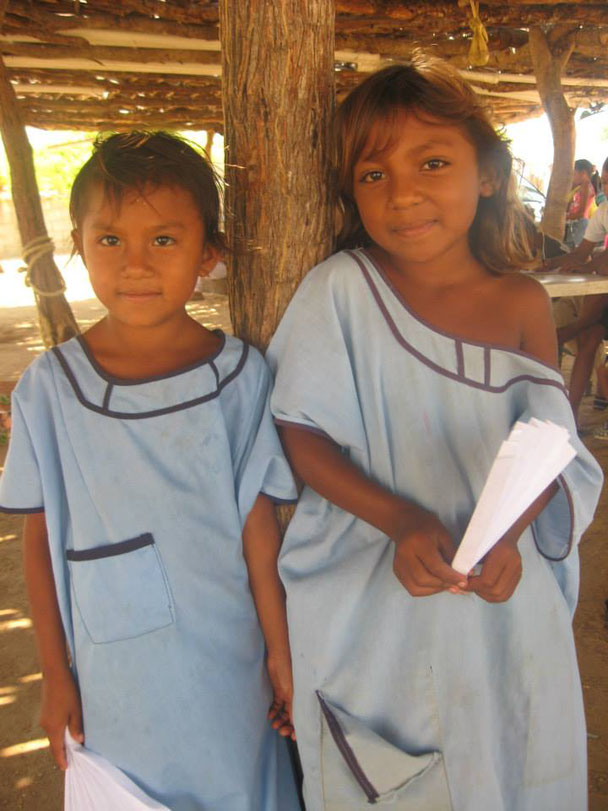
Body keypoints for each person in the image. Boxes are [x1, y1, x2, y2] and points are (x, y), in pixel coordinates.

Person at [266, 56, 603, 811]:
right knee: (392, 767)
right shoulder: (342, 290)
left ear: (486, 173)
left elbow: (549, 445)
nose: (404, 191)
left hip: (499, 592)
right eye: (373, 174)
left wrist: (510, 535)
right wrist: (401, 519)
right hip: (372, 590)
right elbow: (300, 432)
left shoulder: (521, 301)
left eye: (433, 162)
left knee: (511, 750)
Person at [0, 132, 300, 811]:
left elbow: (258, 524)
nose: (135, 263)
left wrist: (280, 650)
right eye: (109, 240)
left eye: (163, 240)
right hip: (116, 684)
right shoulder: (49, 391)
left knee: (243, 788)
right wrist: (55, 672)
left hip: (231, 662)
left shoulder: (240, 377)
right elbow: (39, 540)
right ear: (78, 245)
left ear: (209, 254)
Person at [546, 157, 608, 422]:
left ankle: (558, 337)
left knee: (587, 324)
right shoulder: (604, 212)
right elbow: (581, 253)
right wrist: (548, 264)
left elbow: (596, 261)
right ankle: (570, 413)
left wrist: (588, 266)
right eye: (606, 182)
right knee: (589, 336)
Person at [564, 158, 596, 249]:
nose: (572, 177)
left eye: (574, 174)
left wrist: (565, 217)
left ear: (583, 173)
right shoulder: (579, 188)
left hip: (580, 225)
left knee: (577, 253)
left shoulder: (586, 187)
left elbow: (582, 213)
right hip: (575, 224)